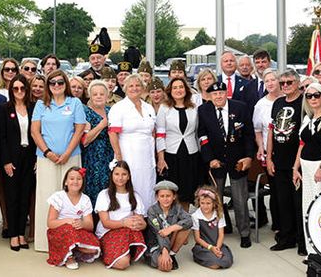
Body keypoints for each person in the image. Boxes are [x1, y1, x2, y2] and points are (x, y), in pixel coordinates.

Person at [32, 69, 87, 252]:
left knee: (70, 199)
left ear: (65, 85)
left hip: (70, 157)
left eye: (60, 82)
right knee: (46, 198)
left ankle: (69, 242)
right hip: (46, 158)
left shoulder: (75, 103)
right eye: (52, 82)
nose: (56, 85)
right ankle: (45, 243)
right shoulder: (41, 104)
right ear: (48, 86)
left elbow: (79, 130)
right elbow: (35, 131)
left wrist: (66, 153)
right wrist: (48, 152)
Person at [197, 80, 255, 248]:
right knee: (216, 199)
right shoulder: (203, 110)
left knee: (239, 199)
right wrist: (209, 159)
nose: (218, 96)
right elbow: (202, 135)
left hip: (237, 160)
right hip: (216, 161)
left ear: (226, 93)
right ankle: (218, 231)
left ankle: (244, 233)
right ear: (210, 95)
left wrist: (249, 157)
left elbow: (248, 134)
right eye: (214, 94)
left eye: (221, 93)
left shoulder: (240, 107)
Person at [109, 74, 158, 209]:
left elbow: (153, 132)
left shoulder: (148, 107)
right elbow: (113, 133)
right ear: (125, 88)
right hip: (128, 153)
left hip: (147, 156)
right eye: (131, 86)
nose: (134, 88)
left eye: (138, 85)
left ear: (143, 88)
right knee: (131, 183)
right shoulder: (119, 108)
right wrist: (118, 156)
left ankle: (147, 217)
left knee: (148, 186)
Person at [267, 70, 303, 252]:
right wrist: (268, 157)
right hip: (278, 161)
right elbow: (271, 131)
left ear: (297, 82)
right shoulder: (278, 103)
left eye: (289, 82)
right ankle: (286, 237)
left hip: (297, 163)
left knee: (298, 203)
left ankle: (301, 239)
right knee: (283, 202)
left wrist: (296, 164)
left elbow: (305, 137)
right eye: (282, 83)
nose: (285, 86)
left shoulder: (305, 102)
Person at [1, 76, 36, 251]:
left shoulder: (34, 108)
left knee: (25, 197)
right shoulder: (4, 109)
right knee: (12, 197)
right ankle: (13, 234)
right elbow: (2, 138)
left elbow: (38, 135)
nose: (20, 92)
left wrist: (37, 158)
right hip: (11, 158)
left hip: (29, 156)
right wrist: (5, 161)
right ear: (11, 90)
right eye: (16, 88)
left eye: (23, 88)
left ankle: (21, 233)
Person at [154, 76, 200, 209]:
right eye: (175, 88)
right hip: (171, 155)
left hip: (190, 154)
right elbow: (160, 134)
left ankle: (184, 223)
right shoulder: (164, 108)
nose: (178, 90)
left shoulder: (194, 108)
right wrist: (161, 158)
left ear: (186, 89)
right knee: (172, 192)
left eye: (181, 87)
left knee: (186, 193)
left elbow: (197, 131)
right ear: (170, 91)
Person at [294, 82, 321, 255]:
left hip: (319, 168)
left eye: (317, 95)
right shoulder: (308, 118)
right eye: (309, 96)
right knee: (307, 208)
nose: (313, 99)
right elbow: (302, 143)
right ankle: (311, 250)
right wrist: (295, 167)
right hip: (305, 167)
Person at [94, 161, 148, 270]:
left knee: (125, 256)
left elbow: (141, 223)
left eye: (124, 174)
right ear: (112, 175)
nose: (120, 178)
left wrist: (141, 224)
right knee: (123, 264)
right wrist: (124, 223)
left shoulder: (135, 196)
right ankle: (110, 252)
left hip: (128, 232)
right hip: (108, 232)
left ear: (128, 176)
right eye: (117, 174)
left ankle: (126, 251)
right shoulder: (104, 195)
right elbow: (105, 223)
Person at [45, 166, 101, 270]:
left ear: (82, 182)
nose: (75, 181)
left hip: (77, 230)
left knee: (95, 249)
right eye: (71, 178)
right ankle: (69, 257)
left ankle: (74, 249)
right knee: (69, 230)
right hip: (60, 231)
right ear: (66, 182)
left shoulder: (86, 199)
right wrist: (67, 221)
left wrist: (82, 223)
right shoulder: (58, 197)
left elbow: (90, 225)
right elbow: (50, 223)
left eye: (79, 179)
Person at [144, 180, 191, 271]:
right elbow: (159, 233)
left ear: (174, 197)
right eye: (162, 196)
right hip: (156, 244)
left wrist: (172, 228)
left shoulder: (177, 208)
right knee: (166, 267)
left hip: (170, 241)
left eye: (168, 196)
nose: (165, 199)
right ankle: (164, 255)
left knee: (185, 228)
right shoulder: (152, 211)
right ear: (157, 197)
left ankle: (172, 254)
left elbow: (189, 220)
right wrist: (164, 251)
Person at [81, 80, 114, 204]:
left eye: (101, 94)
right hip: (92, 158)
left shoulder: (112, 111)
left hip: (109, 157)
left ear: (107, 96)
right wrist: (102, 125)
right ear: (90, 96)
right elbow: (85, 140)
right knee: (92, 191)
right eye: (95, 94)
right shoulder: (85, 113)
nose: (99, 96)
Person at [190, 185, 233, 269]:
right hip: (204, 246)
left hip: (217, 245)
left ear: (214, 203)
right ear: (199, 202)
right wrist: (211, 248)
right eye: (202, 203)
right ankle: (202, 257)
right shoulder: (196, 216)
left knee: (227, 261)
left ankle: (214, 257)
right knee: (215, 264)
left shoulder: (219, 214)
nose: (205, 206)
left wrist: (217, 248)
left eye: (208, 203)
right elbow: (197, 238)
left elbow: (221, 235)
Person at [252, 70, 281, 169]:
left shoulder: (288, 99)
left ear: (279, 81)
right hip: (269, 152)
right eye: (267, 81)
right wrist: (260, 146)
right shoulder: (260, 104)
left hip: (288, 152)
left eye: (273, 80)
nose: (270, 83)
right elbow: (257, 130)